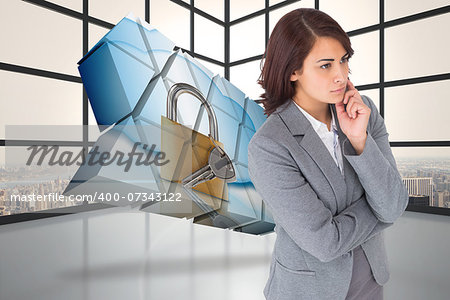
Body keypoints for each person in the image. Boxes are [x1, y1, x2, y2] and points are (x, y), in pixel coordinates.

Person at [248, 8, 409, 300]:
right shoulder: (270, 145)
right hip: (308, 290)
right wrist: (380, 212)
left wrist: (359, 139)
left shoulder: (364, 113)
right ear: (293, 71)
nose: (341, 76)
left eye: (344, 61)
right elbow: (326, 243)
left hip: (371, 280)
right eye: (325, 65)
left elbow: (395, 203)